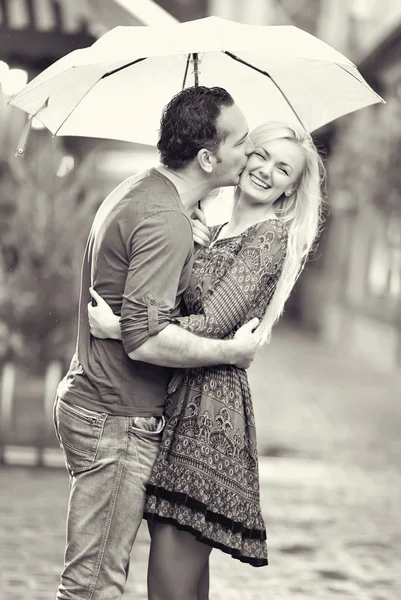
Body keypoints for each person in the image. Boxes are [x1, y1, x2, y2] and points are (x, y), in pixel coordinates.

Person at [89, 120, 325, 600]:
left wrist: (125, 329)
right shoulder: (212, 229)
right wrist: (193, 246)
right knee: (186, 587)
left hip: (208, 419)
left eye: (283, 170)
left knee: (168, 587)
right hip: (178, 405)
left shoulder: (269, 238)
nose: (265, 171)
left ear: (289, 191)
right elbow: (182, 304)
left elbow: (214, 321)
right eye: (260, 155)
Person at [53, 86, 262, 600]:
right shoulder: (165, 217)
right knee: (92, 586)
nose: (252, 153)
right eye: (243, 143)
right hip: (117, 419)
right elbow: (146, 340)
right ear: (208, 157)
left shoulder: (144, 191)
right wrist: (230, 352)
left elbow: (138, 314)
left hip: (100, 405)